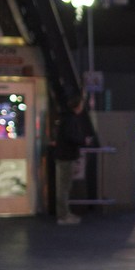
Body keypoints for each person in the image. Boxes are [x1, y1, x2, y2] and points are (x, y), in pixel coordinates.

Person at [52, 94, 93, 225]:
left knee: (64, 186)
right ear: (79, 105)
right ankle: (63, 216)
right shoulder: (71, 119)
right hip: (66, 156)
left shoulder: (65, 117)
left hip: (63, 155)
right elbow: (72, 137)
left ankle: (64, 214)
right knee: (64, 187)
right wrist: (83, 140)